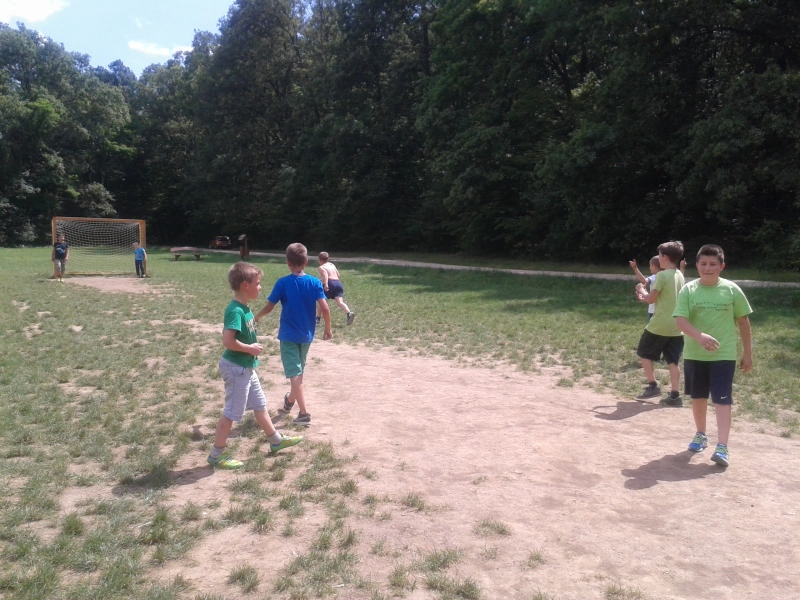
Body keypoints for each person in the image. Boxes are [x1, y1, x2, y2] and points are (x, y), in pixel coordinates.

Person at [207, 262, 303, 469]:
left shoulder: (245, 308)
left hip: (246, 368)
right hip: (236, 368)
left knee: (259, 406)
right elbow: (228, 341)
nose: (260, 287)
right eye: (257, 283)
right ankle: (216, 455)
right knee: (231, 413)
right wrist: (249, 348)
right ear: (245, 285)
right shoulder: (235, 311)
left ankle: (276, 441)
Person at [674, 244, 753, 467]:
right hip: (694, 354)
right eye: (703, 264)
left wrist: (747, 353)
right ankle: (701, 434)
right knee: (698, 398)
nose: (708, 268)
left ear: (722, 266)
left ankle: (723, 446)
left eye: (713, 264)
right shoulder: (688, 290)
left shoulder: (731, 290)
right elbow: (680, 320)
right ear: (696, 265)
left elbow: (743, 322)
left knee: (722, 400)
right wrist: (699, 336)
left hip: (723, 356)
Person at [256, 243, 332, 426]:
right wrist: (328, 329)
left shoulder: (283, 283)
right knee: (298, 374)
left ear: (288, 263)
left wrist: (256, 316)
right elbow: (325, 308)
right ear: (306, 262)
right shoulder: (314, 282)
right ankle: (290, 400)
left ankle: (304, 414)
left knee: (295, 374)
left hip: (288, 336)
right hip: (306, 335)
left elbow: (270, 306)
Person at [634, 240, 686, 406]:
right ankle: (675, 395)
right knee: (673, 361)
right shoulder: (679, 275)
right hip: (677, 325)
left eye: (660, 255)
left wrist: (641, 290)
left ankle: (653, 385)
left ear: (665, 257)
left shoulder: (662, 275)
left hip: (660, 324)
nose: (659, 258)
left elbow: (651, 299)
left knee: (644, 353)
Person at [317, 251, 355, 325]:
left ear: (319, 260)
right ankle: (349, 313)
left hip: (330, 283)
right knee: (340, 302)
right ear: (327, 259)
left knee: (321, 300)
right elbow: (338, 275)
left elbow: (325, 275)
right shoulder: (332, 265)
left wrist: (326, 284)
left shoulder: (321, 267)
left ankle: (317, 318)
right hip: (338, 283)